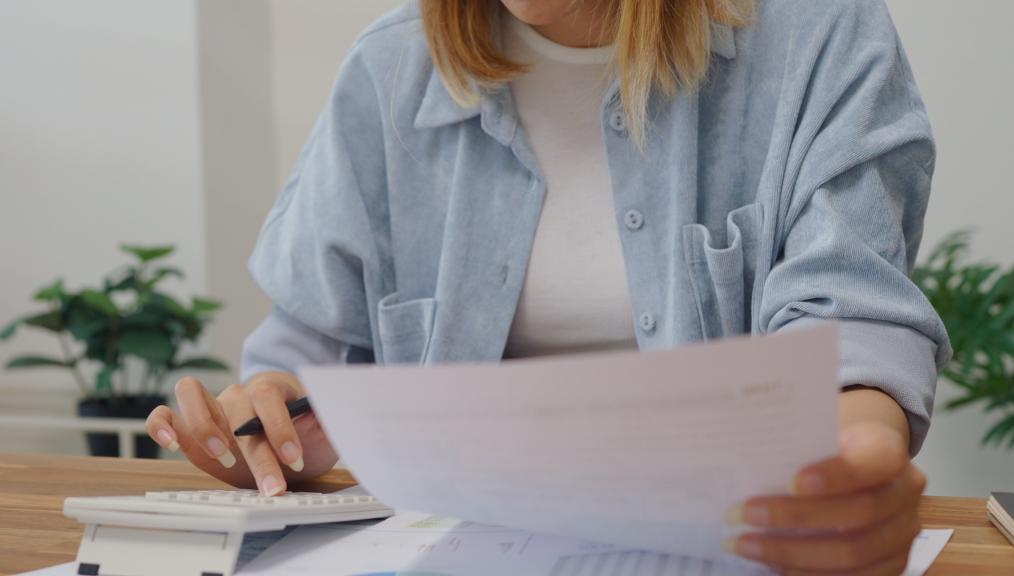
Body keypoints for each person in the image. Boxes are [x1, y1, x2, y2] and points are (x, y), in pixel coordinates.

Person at [146, 0, 950, 572]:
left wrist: (856, 457)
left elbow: (852, 317)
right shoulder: (388, 71)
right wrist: (271, 429)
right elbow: (303, 356)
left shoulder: (821, 35)